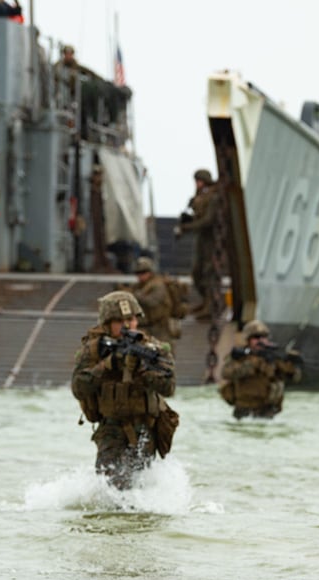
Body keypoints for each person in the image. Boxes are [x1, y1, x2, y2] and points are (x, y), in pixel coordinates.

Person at [71, 291, 177, 490]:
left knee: (139, 490)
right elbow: (78, 388)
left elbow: (169, 387)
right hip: (111, 431)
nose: (128, 325)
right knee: (109, 490)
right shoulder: (93, 351)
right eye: (120, 321)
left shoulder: (153, 349)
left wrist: (143, 371)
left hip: (144, 429)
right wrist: (107, 365)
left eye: (131, 319)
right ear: (107, 323)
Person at [219, 320, 302, 419]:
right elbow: (226, 373)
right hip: (244, 408)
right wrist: (254, 363)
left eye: (263, 337)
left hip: (267, 409)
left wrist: (290, 365)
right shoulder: (240, 357)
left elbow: (295, 378)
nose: (260, 341)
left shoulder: (273, 358)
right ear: (248, 340)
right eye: (256, 338)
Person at [175, 169, 219, 319]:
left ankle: (210, 305)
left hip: (212, 239)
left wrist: (187, 227)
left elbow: (208, 221)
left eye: (199, 180)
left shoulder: (213, 197)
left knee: (208, 271)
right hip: (202, 238)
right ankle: (205, 301)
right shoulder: (200, 197)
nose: (197, 184)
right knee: (197, 271)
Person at [131, 256, 185, 351]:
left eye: (143, 272)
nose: (140, 276)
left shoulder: (158, 285)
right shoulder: (139, 286)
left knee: (164, 355)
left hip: (159, 328)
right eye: (138, 273)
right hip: (145, 327)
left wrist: (136, 296)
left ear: (150, 272)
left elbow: (152, 301)